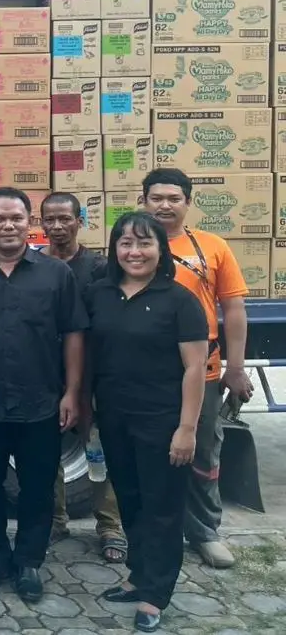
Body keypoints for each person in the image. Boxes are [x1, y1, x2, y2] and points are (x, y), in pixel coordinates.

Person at [0, 187, 87, 603]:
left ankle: (28, 561)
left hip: (41, 399)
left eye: (16, 218)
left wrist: (72, 392)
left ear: (30, 223)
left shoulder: (56, 274)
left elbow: (74, 334)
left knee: (37, 487)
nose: (8, 226)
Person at [83, 212, 208, 633]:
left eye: (144, 243)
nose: (134, 252)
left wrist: (187, 428)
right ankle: (138, 576)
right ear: (114, 249)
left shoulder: (179, 300)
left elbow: (194, 368)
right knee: (131, 500)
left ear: (161, 249)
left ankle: (156, 594)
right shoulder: (99, 293)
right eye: (125, 243)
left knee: (163, 508)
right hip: (115, 417)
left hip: (163, 420)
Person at [140, 168, 251, 570]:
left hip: (203, 370)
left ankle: (205, 531)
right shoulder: (131, 246)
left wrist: (235, 367)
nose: (165, 206)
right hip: (146, 372)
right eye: (156, 198)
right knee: (147, 454)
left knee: (202, 451)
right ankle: (149, 531)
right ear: (143, 201)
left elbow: (233, 309)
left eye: (174, 198)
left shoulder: (212, 247)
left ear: (188, 203)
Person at [39, 193, 125, 564]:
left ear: (80, 221)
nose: (58, 227)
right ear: (41, 224)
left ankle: (109, 525)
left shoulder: (101, 267)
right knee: (47, 450)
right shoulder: (34, 265)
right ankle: (55, 520)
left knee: (98, 448)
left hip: (94, 372)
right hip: (45, 371)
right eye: (50, 220)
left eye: (65, 219)